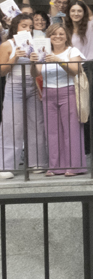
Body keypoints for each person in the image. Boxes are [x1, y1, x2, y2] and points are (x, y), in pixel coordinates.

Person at [0, 15, 49, 178]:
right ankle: (6, 166)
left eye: (30, 26)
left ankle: (37, 162)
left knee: (36, 124)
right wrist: (15, 56)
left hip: (33, 85)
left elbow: (37, 72)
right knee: (12, 125)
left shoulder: (36, 43)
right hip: (14, 87)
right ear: (15, 27)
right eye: (24, 26)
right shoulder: (7, 45)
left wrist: (35, 61)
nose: (27, 29)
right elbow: (2, 71)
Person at [62, 0, 93, 149]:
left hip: (86, 68)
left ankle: (86, 146)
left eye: (79, 11)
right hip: (66, 68)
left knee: (84, 106)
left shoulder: (91, 26)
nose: (75, 13)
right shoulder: (64, 28)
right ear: (69, 13)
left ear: (84, 12)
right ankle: (72, 143)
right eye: (73, 11)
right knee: (70, 106)